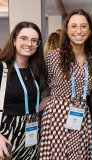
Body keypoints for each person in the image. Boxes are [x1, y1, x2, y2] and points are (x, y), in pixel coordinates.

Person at [39, 9, 92, 159]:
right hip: (56, 116)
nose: (78, 31)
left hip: (81, 114)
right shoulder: (53, 56)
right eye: (73, 26)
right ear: (66, 31)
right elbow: (38, 86)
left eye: (83, 26)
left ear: (90, 31)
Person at [0, 21, 47, 160]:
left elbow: (34, 104)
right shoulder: (2, 68)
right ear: (14, 40)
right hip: (6, 135)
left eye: (34, 40)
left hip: (31, 133)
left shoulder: (36, 71)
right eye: (24, 38)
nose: (29, 43)